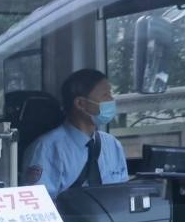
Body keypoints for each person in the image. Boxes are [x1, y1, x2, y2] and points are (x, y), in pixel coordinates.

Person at [23, 69, 129, 198]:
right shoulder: (47, 150)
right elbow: (39, 202)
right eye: (105, 95)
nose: (111, 100)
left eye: (110, 94)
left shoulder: (113, 145)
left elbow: (123, 195)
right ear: (80, 104)